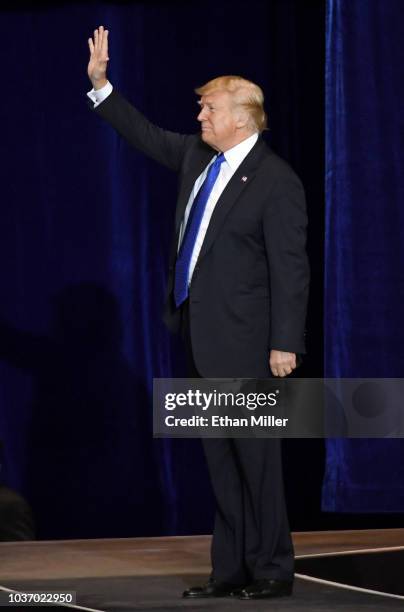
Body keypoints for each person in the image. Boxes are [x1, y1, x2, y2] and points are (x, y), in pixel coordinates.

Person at [87, 26, 309, 600]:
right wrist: (102, 86)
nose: (201, 118)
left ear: (243, 117)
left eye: (209, 109)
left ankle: (271, 570)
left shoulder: (275, 179)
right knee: (220, 462)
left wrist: (285, 341)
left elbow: (291, 266)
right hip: (200, 335)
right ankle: (229, 570)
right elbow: (140, 133)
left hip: (249, 342)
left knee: (257, 461)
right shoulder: (195, 157)